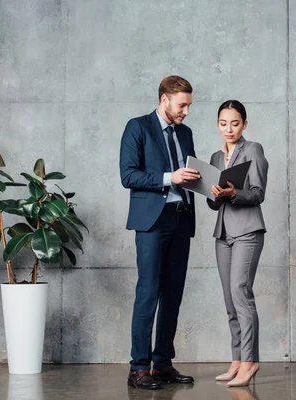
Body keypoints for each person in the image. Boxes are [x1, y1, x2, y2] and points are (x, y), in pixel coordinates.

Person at [120, 75, 200, 390]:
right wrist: (170, 177)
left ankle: (162, 363)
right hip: (153, 222)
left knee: (173, 295)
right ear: (164, 99)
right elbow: (128, 174)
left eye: (189, 105)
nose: (186, 111)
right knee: (148, 293)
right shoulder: (137, 127)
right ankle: (138, 367)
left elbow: (188, 176)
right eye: (182, 105)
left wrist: (208, 184)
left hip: (181, 219)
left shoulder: (186, 133)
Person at [207, 100, 268, 387]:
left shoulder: (253, 149)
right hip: (223, 234)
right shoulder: (216, 157)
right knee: (230, 300)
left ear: (244, 124)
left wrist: (233, 193)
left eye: (234, 123)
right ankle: (236, 359)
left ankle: (250, 360)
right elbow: (212, 203)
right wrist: (214, 194)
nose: (228, 128)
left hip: (247, 231)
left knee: (241, 292)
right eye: (223, 123)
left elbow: (257, 193)